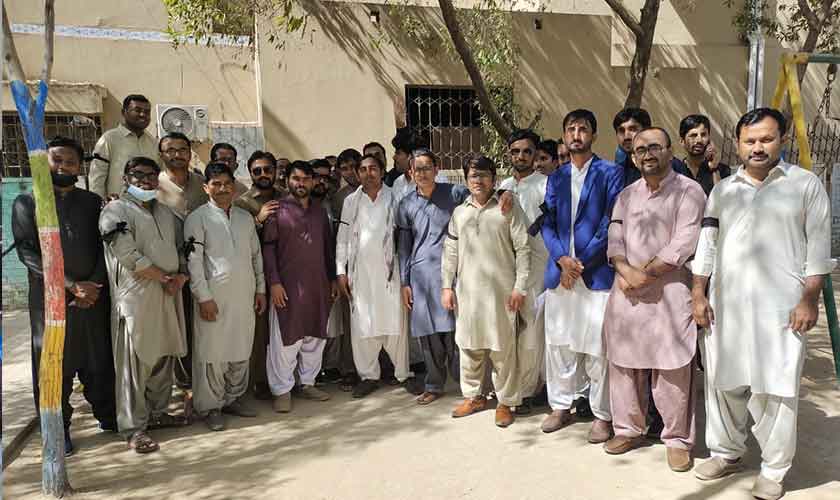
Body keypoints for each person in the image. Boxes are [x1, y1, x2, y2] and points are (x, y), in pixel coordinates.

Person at [692, 108, 832, 500]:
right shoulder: (723, 190)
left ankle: (773, 469)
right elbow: (707, 244)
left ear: (782, 140)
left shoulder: (804, 185)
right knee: (724, 383)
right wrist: (698, 293)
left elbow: (819, 250)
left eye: (766, 139)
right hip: (726, 307)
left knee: (777, 388)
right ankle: (727, 452)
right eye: (750, 140)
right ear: (738, 144)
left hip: (782, 310)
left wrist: (809, 300)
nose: (758, 147)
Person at [603, 127, 705, 472]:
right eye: (640, 149)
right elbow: (615, 235)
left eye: (655, 147)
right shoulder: (626, 195)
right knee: (623, 364)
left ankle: (677, 440)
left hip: (669, 292)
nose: (647, 154)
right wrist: (624, 269)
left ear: (669, 151)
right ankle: (628, 430)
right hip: (626, 292)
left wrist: (643, 275)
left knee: (672, 368)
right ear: (633, 157)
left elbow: (684, 242)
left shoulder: (689, 191)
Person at [12, 136, 117, 456]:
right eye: (57, 160)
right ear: (44, 162)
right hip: (51, 302)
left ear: (79, 167)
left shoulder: (91, 202)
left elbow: (105, 247)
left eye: (70, 162)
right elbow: (28, 254)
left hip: (94, 299)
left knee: (99, 360)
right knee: (54, 365)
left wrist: (94, 285)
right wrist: (71, 285)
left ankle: (109, 417)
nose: (63, 166)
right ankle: (59, 430)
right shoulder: (28, 203)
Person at [540, 109, 622, 442]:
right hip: (560, 274)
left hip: (594, 273)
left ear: (593, 135)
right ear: (564, 135)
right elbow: (546, 221)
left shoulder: (610, 172)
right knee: (558, 343)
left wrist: (579, 262)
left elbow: (610, 221)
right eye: (571, 129)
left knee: (597, 347)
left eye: (583, 129)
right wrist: (562, 259)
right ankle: (561, 406)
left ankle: (602, 415)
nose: (576, 134)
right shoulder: (556, 177)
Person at [99, 156, 189, 454]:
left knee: (163, 356)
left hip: (168, 291)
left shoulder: (165, 212)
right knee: (135, 363)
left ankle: (158, 413)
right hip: (136, 296)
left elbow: (181, 248)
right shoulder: (115, 210)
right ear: (126, 178)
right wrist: (163, 277)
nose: (146, 180)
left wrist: (180, 277)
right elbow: (128, 254)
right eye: (138, 175)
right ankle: (133, 428)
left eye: (152, 175)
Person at [443, 155, 530, 428]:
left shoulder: (508, 207)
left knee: (503, 349)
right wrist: (446, 286)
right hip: (467, 293)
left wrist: (520, 287)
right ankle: (473, 397)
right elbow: (450, 252)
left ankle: (505, 402)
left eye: (483, 175)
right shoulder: (460, 213)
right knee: (469, 346)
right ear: (466, 179)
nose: (478, 180)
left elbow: (523, 249)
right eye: (473, 175)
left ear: (493, 178)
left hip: (501, 293)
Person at [185, 163, 265, 430]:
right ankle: (211, 407)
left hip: (244, 296)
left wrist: (261, 289)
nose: (222, 189)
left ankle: (233, 398)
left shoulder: (244, 218)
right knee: (213, 353)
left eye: (227, 184)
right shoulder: (197, 218)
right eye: (216, 184)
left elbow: (256, 256)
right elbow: (194, 262)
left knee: (240, 348)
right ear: (206, 187)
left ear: (234, 187)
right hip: (213, 299)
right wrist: (203, 297)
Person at [262, 161, 338, 412]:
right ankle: (282, 390)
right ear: (287, 181)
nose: (301, 183)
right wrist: (274, 282)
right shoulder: (276, 209)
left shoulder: (320, 211)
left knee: (315, 336)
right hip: (287, 286)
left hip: (317, 284)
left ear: (313, 181)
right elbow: (269, 248)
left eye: (306, 179)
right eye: (296, 178)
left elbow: (327, 248)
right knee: (285, 338)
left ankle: (307, 383)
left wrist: (332, 278)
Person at [336, 154, 412, 398]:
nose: (368, 173)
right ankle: (368, 376)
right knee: (363, 324)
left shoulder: (395, 197)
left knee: (395, 323)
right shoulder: (351, 201)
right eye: (363, 169)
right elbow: (342, 239)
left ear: (381, 171)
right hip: (361, 274)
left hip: (391, 273)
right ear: (358, 174)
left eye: (373, 169)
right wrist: (340, 271)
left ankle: (403, 374)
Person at [397, 149, 470, 404]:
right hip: (421, 277)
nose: (422, 173)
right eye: (417, 169)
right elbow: (404, 246)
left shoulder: (455, 194)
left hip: (452, 273)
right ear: (410, 173)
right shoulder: (406, 204)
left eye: (427, 168)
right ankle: (434, 384)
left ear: (437, 169)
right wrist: (405, 282)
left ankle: (467, 385)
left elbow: (480, 199)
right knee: (427, 334)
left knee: (455, 331)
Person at [499, 128, 549, 415]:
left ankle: (530, 389)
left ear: (535, 155)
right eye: (515, 151)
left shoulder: (545, 185)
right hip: (507, 267)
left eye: (527, 151)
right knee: (507, 329)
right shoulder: (502, 185)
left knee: (531, 330)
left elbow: (548, 222)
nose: (521, 156)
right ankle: (508, 386)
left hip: (537, 266)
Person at [233, 151, 285, 400]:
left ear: (275, 171)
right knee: (260, 331)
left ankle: (287, 377)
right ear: (250, 173)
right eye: (257, 171)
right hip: (256, 274)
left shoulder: (286, 197)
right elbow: (237, 238)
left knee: (284, 327)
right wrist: (258, 220)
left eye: (267, 169)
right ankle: (260, 380)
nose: (263, 174)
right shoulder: (241, 203)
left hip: (286, 271)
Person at [321, 149, 363, 389]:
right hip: (347, 267)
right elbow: (338, 238)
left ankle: (381, 366)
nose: (350, 173)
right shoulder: (339, 199)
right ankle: (349, 369)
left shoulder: (379, 191)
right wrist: (339, 272)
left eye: (353, 167)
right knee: (349, 322)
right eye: (344, 169)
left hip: (375, 267)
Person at [89, 94, 159, 199]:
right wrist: (98, 203)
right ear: (124, 112)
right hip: (117, 205)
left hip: (148, 205)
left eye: (147, 112)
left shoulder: (153, 143)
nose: (143, 114)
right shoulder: (109, 139)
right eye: (137, 110)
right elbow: (97, 177)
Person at [673, 114, 731, 196]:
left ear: (709, 139)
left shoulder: (723, 170)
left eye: (703, 135)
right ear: (682, 141)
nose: (699, 140)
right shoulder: (675, 171)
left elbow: (722, 198)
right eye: (693, 135)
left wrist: (714, 169)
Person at [612, 108, 651, 188]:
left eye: (632, 129)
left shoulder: (666, 165)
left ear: (647, 131)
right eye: (621, 131)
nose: (626, 137)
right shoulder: (619, 171)